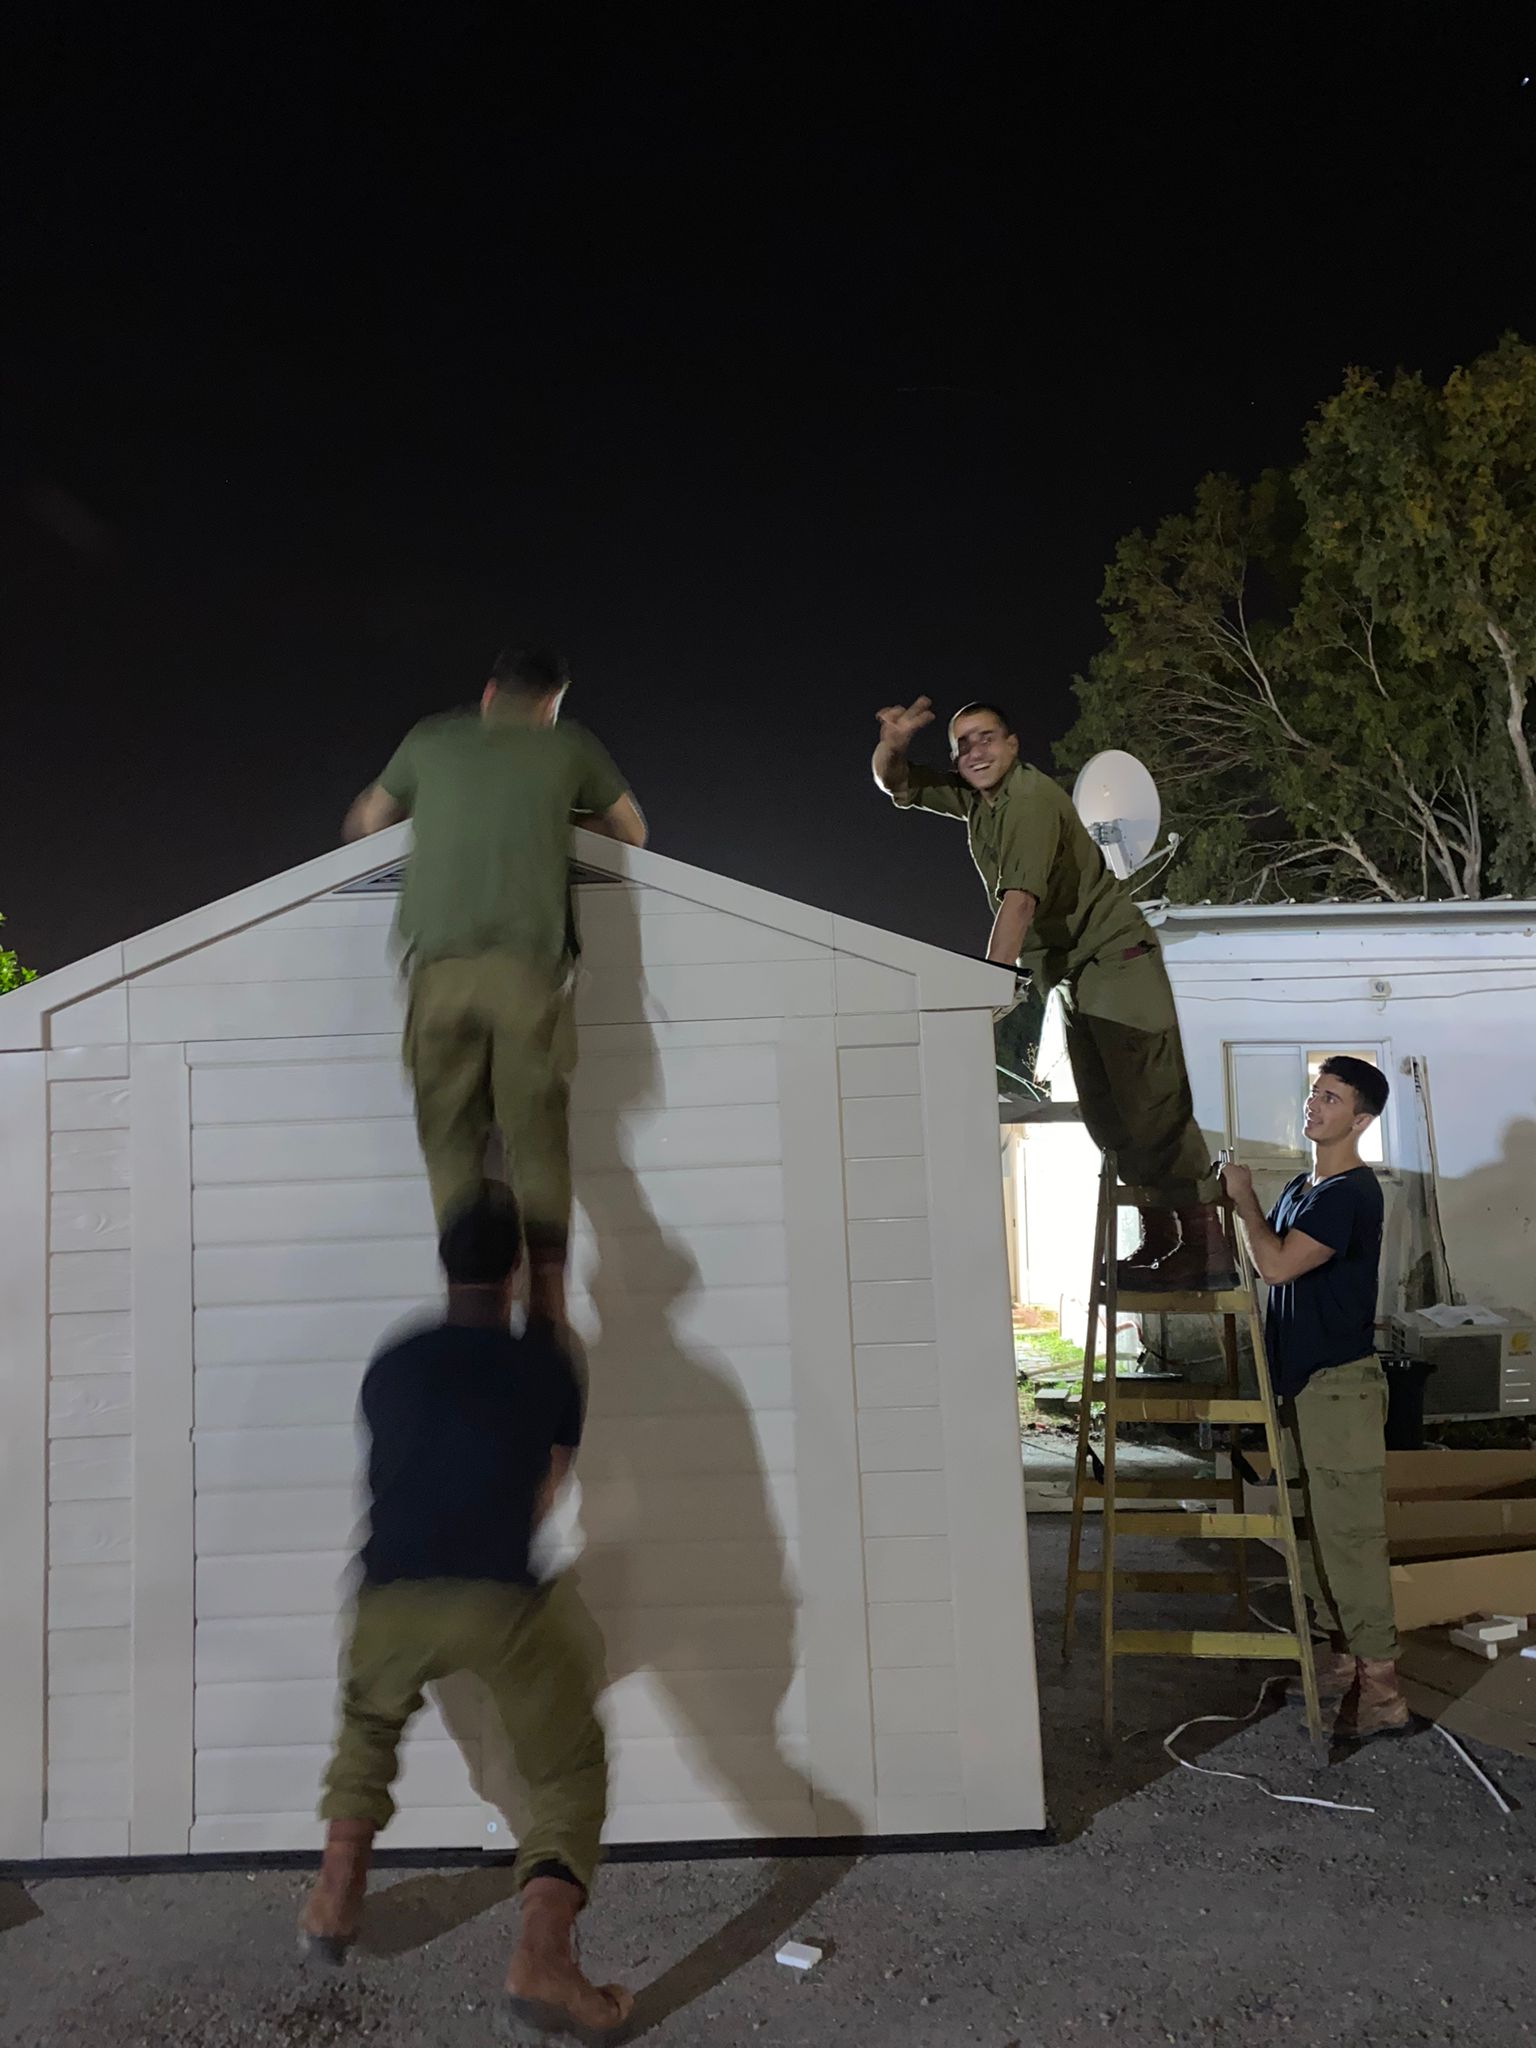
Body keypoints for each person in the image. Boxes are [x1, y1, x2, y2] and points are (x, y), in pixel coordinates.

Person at [298, 1184, 633, 2036]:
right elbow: (547, 1488)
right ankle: (544, 1955)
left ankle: (335, 1893)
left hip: (386, 1593)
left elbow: (395, 1467)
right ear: (515, 1270)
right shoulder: (545, 1365)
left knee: (367, 1726)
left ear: (443, 1265)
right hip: (494, 1598)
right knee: (566, 1773)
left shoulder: (394, 1361)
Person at [873, 696, 1230, 1288]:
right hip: (1068, 972)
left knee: (1151, 1105)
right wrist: (892, 745)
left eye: (987, 737)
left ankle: (1205, 1249)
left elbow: (1018, 903)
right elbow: (897, 783)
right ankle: (1160, 1239)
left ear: (1013, 745)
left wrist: (986, 996)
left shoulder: (1029, 802)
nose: (975, 751)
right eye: (963, 744)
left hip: (1115, 960)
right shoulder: (978, 797)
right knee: (1107, 1114)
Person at [345, 644, 647, 1327]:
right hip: (527, 976)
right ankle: (547, 1302)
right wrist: (555, 818)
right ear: (551, 703)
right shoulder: (567, 746)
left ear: (489, 694)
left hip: (440, 975)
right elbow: (631, 832)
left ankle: (471, 1302)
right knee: (534, 1139)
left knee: (450, 1138)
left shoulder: (428, 740)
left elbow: (365, 822)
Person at [1221, 1056, 1409, 1739]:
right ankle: (1342, 1659)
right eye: (1314, 1092)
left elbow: (1274, 1264)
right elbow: (1265, 1254)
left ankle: (1382, 1686)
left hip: (1338, 1388)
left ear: (1361, 1120)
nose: (1314, 1104)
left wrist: (1244, 1198)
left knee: (1349, 1538)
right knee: (1308, 1530)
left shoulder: (1350, 1194)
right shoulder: (1306, 1187)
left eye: (1331, 1098)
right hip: (1300, 1384)